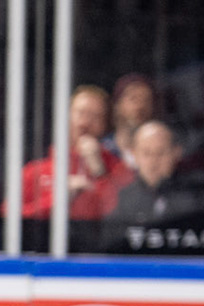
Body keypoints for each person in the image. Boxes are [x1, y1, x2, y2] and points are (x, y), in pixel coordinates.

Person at [19, 85, 130, 220]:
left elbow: (123, 216)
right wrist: (57, 200)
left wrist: (99, 173)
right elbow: (8, 217)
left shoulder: (118, 169)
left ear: (104, 125)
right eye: (81, 113)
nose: (85, 123)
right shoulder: (34, 171)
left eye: (95, 116)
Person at [110, 120, 204, 230]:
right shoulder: (124, 198)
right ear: (134, 155)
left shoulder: (198, 193)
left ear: (176, 153)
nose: (153, 160)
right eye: (146, 153)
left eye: (161, 152)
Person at [108, 74, 157, 162]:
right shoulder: (104, 149)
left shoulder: (160, 151)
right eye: (133, 99)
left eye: (146, 100)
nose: (140, 106)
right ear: (118, 105)